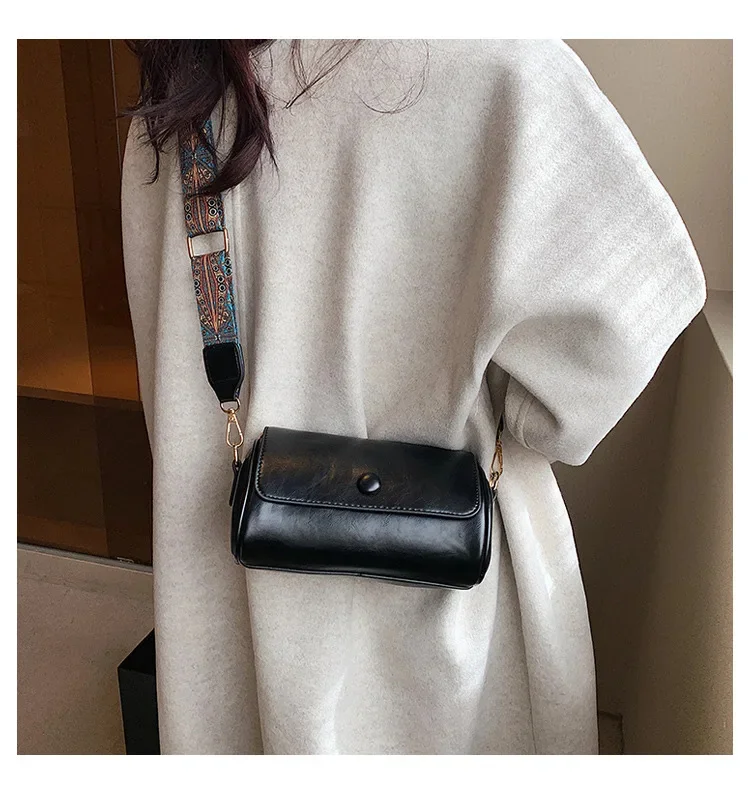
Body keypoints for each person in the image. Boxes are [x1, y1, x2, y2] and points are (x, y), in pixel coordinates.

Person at [120, 39, 706, 754]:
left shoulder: (175, 95)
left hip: (231, 607)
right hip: (446, 624)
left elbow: (170, 376)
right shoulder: (504, 66)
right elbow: (612, 353)